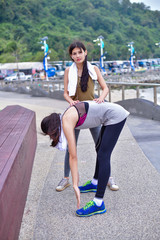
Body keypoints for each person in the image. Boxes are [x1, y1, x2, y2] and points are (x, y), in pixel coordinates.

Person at [41, 100, 129, 217]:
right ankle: (95, 183)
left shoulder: (66, 121)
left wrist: (75, 185)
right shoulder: (64, 118)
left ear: (53, 128)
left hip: (116, 115)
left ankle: (98, 203)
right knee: (100, 150)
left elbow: (73, 156)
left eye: (50, 135)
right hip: (108, 117)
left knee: (104, 155)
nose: (52, 138)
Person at [56, 41, 119, 192]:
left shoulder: (93, 69)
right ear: (71, 56)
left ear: (85, 52)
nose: (77, 56)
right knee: (71, 148)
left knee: (101, 147)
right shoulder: (68, 71)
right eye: (74, 53)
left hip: (92, 111)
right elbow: (65, 93)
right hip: (75, 113)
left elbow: (105, 88)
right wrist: (71, 101)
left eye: (80, 52)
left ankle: (108, 177)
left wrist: (101, 98)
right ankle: (65, 179)